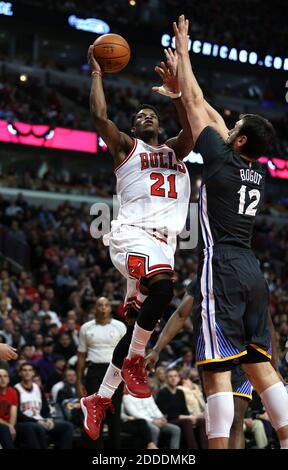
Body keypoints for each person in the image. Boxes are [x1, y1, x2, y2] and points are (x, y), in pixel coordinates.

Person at [173, 14, 288, 449]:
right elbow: (206, 106)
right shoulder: (252, 171)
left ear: (237, 141)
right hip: (253, 272)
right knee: (261, 366)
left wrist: (184, 53)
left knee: (215, 368)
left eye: (234, 126)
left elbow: (195, 103)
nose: (229, 124)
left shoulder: (219, 161)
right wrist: (186, 72)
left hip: (220, 266)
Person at [80, 44, 193, 441]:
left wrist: (178, 94)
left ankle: (100, 397)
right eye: (139, 116)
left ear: (159, 126)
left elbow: (193, 128)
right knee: (164, 287)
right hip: (131, 235)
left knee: (135, 327)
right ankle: (134, 363)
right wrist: (97, 74)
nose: (145, 117)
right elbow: (99, 117)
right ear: (134, 127)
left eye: (151, 115)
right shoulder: (127, 148)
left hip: (164, 244)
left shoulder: (176, 150)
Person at [145, 279, 252, 448]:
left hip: (229, 353)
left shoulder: (224, 275)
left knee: (229, 422)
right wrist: (157, 349)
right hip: (220, 355)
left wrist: (157, 349)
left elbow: (181, 314)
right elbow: (181, 314)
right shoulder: (205, 277)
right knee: (229, 423)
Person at [77, 297, 126, 448]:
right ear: (95, 308)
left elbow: (127, 353)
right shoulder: (86, 327)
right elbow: (81, 356)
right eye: (100, 305)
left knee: (114, 414)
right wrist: (79, 381)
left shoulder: (120, 326)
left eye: (106, 305)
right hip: (94, 372)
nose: (103, 308)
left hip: (115, 372)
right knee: (94, 414)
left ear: (110, 308)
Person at [15, 362, 74, 449]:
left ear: (33, 373)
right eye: (24, 370)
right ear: (20, 373)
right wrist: (36, 421)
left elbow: (45, 409)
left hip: (41, 420)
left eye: (30, 370)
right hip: (26, 422)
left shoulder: (38, 388)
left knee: (68, 426)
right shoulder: (16, 389)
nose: (27, 372)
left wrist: (48, 419)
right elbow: (17, 414)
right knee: (37, 427)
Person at [156, 368, 207, 449]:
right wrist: (186, 417)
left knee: (201, 421)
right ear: (166, 379)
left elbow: (185, 410)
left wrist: (191, 417)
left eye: (175, 376)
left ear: (178, 378)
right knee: (187, 421)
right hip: (168, 420)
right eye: (170, 376)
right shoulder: (163, 392)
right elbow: (166, 413)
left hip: (181, 419)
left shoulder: (180, 392)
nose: (173, 378)